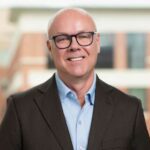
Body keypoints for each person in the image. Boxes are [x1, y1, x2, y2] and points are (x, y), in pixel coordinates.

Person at [0, 8, 150, 150]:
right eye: (63, 39)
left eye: (83, 36)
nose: (74, 46)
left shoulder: (130, 109)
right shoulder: (20, 109)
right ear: (50, 47)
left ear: (97, 43)